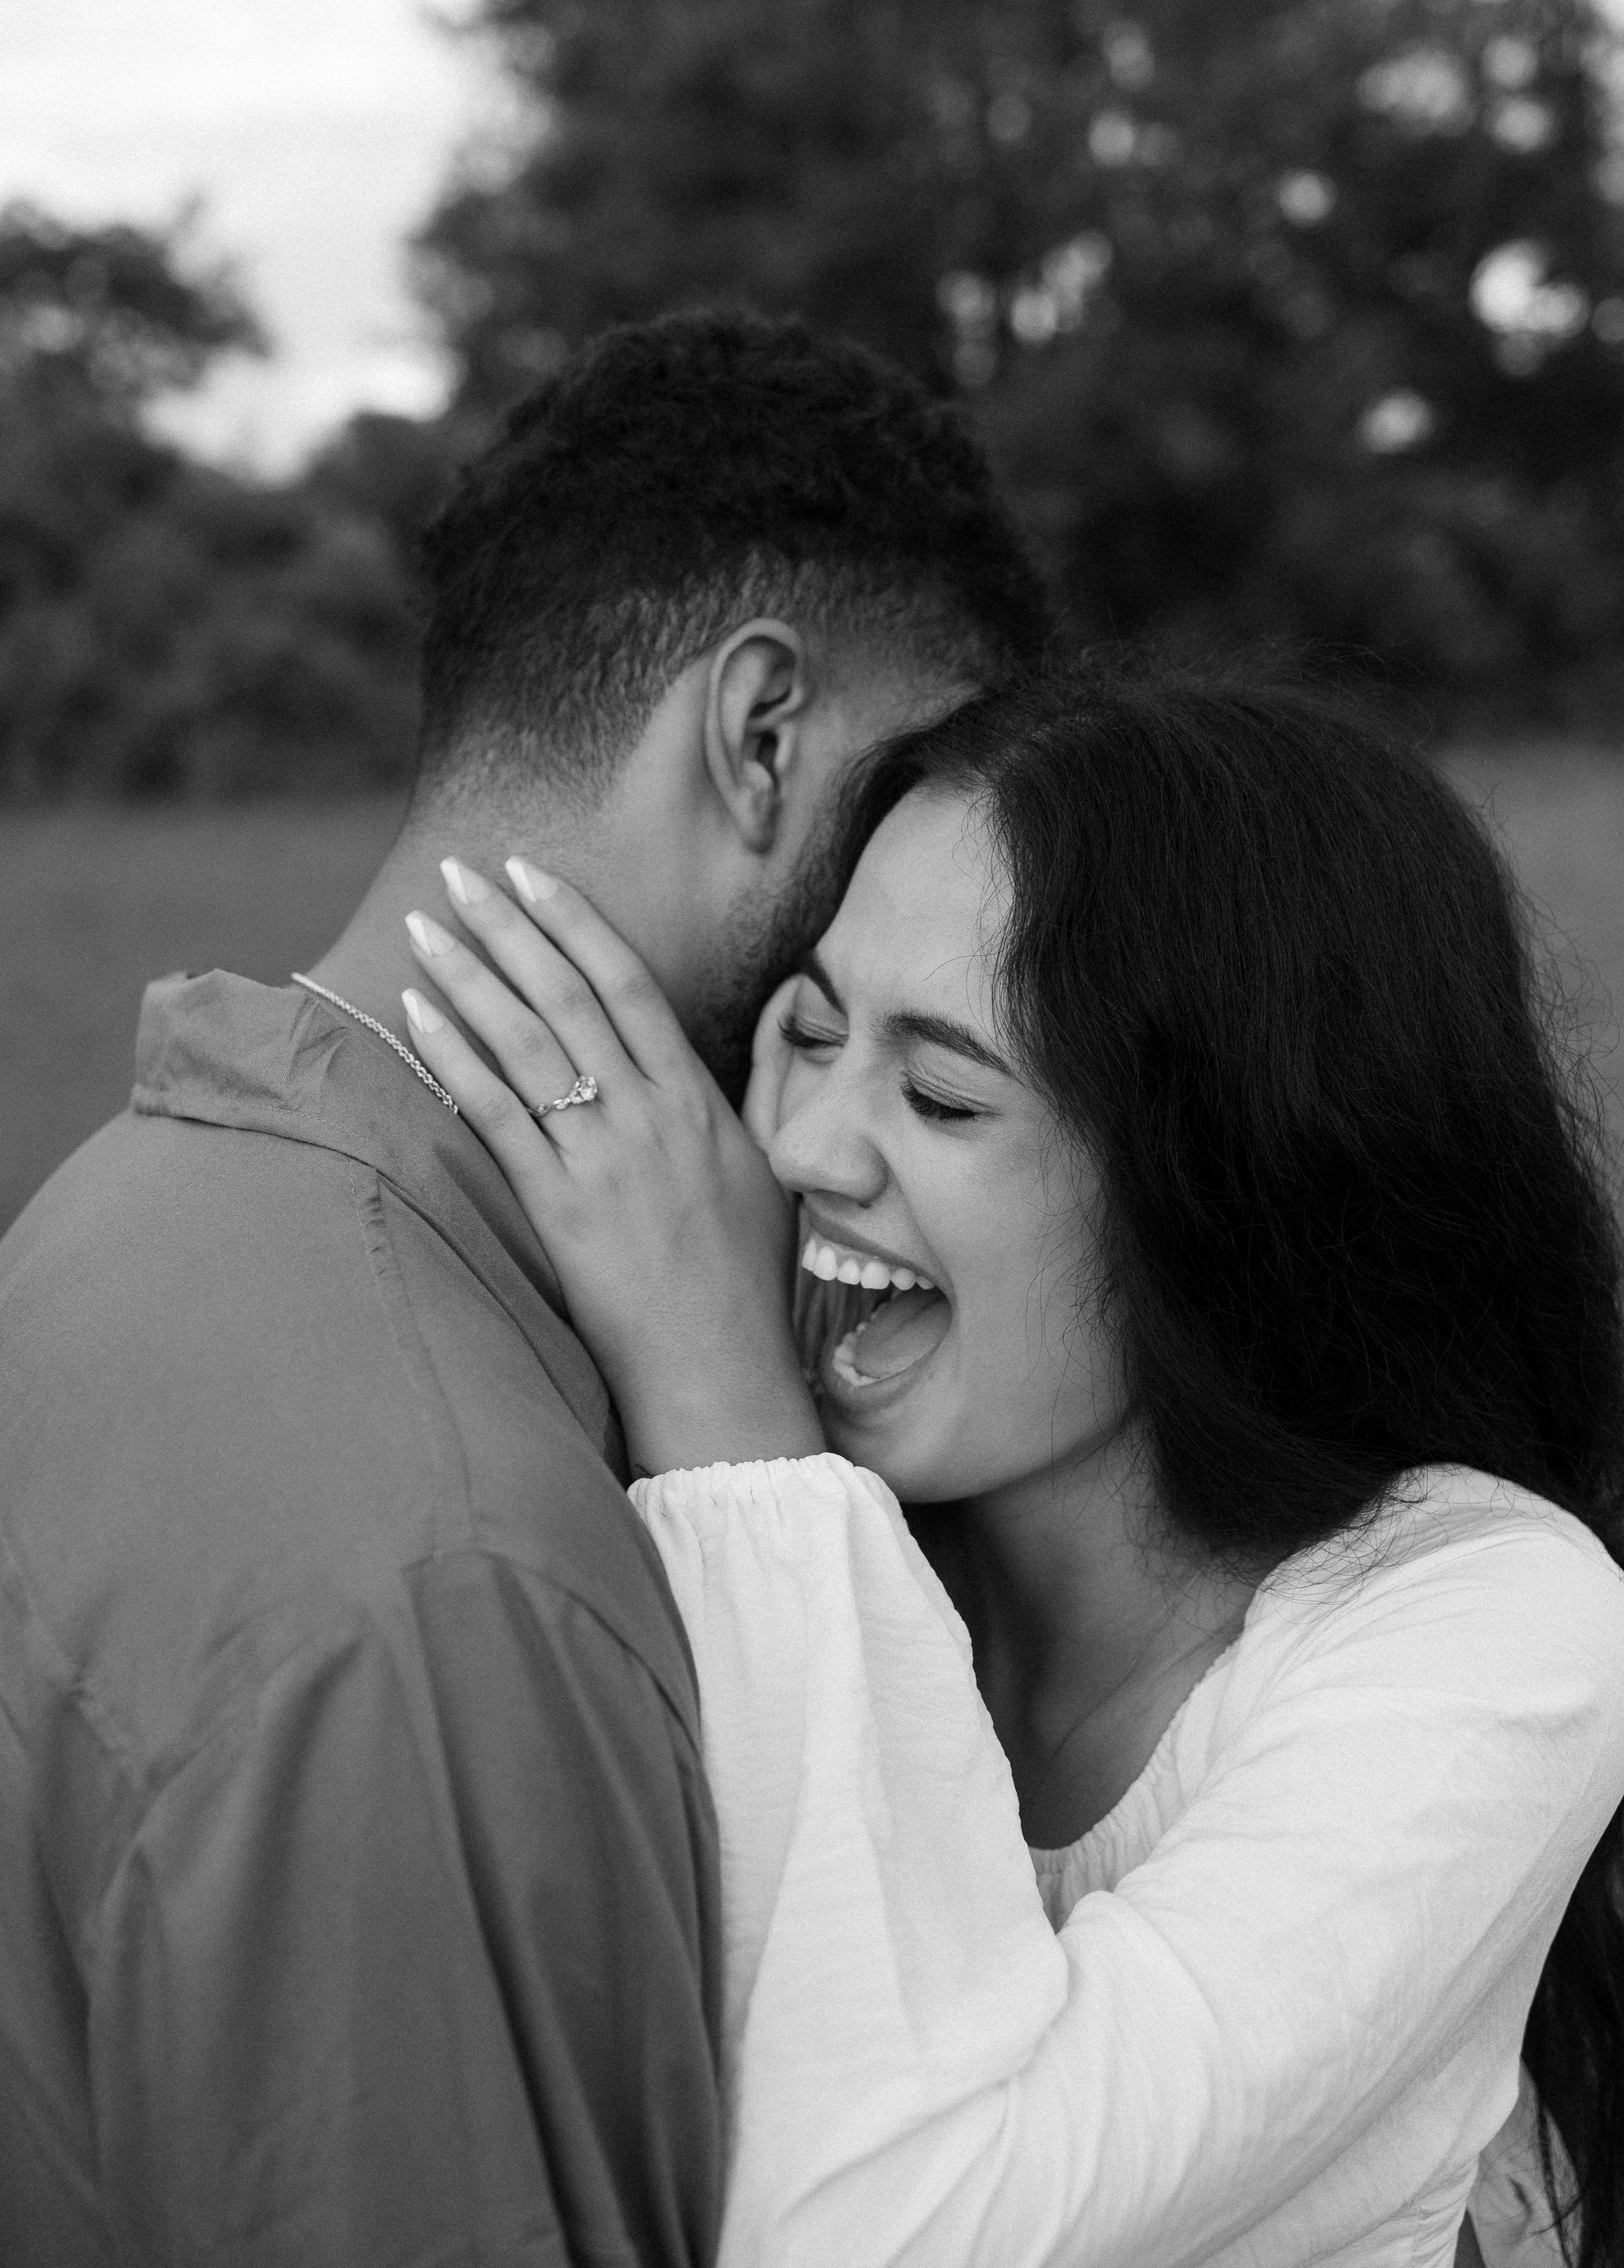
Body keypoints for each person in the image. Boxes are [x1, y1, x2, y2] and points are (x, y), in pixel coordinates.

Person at [0, 308, 1050, 2265]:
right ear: (759, 738)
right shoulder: (453, 1570)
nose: (932, 908)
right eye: (909, 801)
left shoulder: (105, 1222)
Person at [398, 672, 1624, 2268]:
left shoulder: (1499, 1627)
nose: (806, 1151)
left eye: (940, 1091)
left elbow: (882, 2235)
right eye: (812, 1031)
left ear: (1228, 1196)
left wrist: (724, 1403)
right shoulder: (767, 1548)